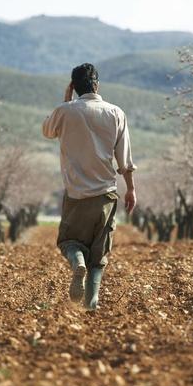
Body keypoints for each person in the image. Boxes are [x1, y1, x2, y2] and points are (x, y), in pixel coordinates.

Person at [42, 63, 137, 311]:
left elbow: (47, 131)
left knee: (69, 241)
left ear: (74, 87)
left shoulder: (65, 112)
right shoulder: (116, 113)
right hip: (106, 194)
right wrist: (131, 189)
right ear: (97, 84)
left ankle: (77, 263)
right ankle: (92, 301)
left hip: (76, 194)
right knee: (100, 253)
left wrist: (65, 101)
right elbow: (124, 159)